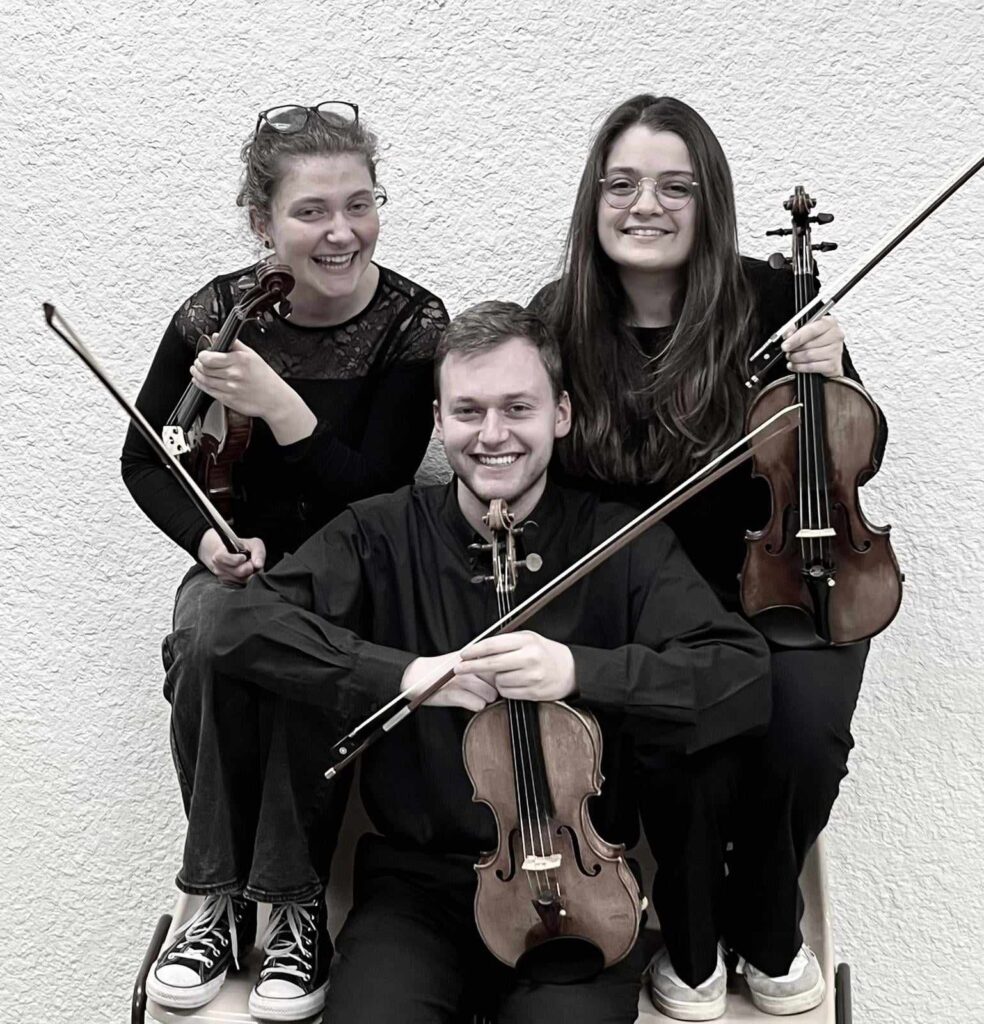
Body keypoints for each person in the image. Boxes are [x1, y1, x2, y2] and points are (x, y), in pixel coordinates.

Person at [207, 300, 773, 1023]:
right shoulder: (381, 535)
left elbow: (741, 672)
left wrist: (579, 670)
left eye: (518, 407)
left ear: (560, 415)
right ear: (439, 421)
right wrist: (404, 675)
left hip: (584, 896)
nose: (494, 434)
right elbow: (236, 626)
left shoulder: (619, 543)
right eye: (469, 411)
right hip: (416, 892)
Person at [529, 94, 887, 1019]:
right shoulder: (559, 321)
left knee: (806, 733)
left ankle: (766, 917)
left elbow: (840, 443)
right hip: (645, 602)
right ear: (593, 199)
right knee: (678, 742)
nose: (645, 205)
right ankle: (691, 941)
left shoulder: (772, 297)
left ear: (710, 198)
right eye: (623, 184)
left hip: (780, 577)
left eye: (674, 186)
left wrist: (835, 366)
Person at [120, 101, 448, 1019]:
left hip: (354, 567)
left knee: (299, 649)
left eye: (360, 203)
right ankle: (219, 905)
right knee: (205, 641)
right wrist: (205, 538)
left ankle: (294, 904)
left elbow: (378, 491)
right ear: (263, 221)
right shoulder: (219, 313)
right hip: (240, 564)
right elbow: (146, 455)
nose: (340, 231)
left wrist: (279, 404)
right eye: (311, 211)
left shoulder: (412, 323)